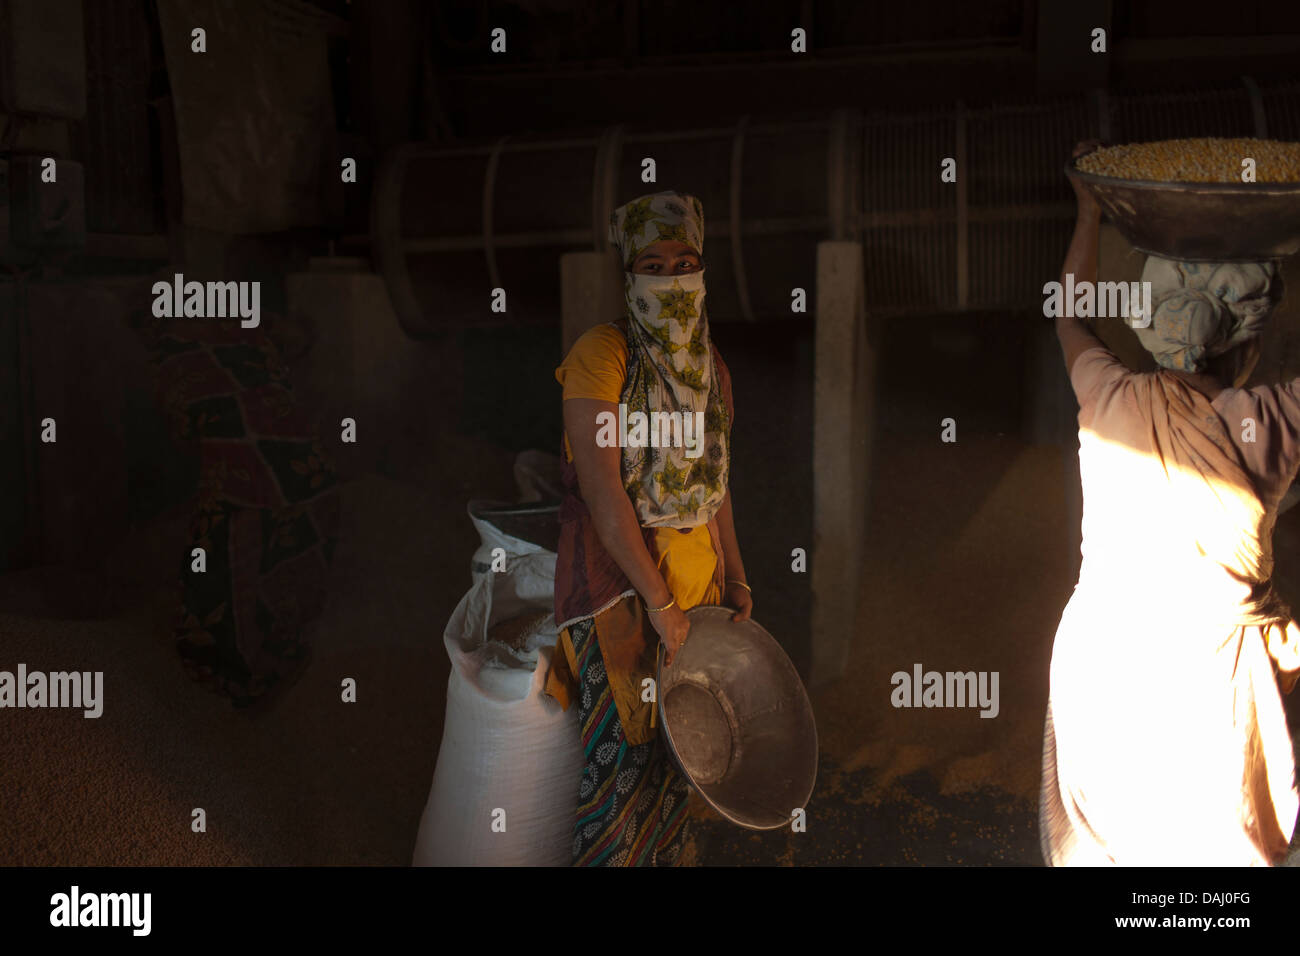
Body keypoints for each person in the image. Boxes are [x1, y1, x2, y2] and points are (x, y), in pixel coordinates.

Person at [1039, 141, 1300, 865]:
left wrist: (1089, 210)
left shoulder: (1109, 394)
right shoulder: (1266, 421)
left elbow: (1070, 316)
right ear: (1247, 338)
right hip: (1207, 678)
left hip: (1108, 664)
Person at [543, 190, 753, 866]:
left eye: (685, 261)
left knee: (680, 760)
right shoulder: (603, 355)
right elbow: (605, 498)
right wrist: (658, 607)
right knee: (623, 766)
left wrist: (738, 577)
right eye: (653, 264)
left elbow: (714, 486)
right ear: (628, 274)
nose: (671, 277)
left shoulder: (707, 367)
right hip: (619, 596)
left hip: (695, 594)